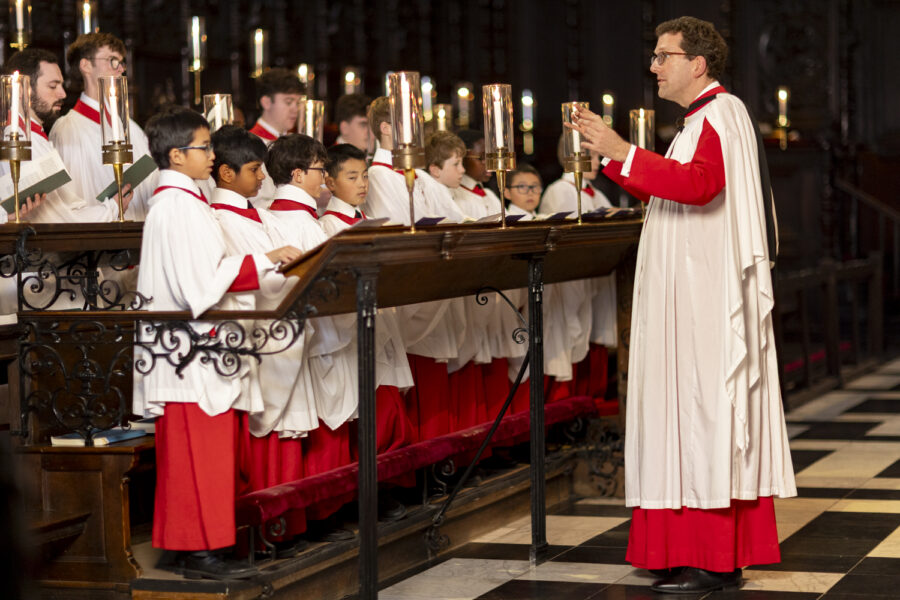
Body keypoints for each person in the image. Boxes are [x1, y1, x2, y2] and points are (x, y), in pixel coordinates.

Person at [571, 15, 795, 594]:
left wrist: (624, 149)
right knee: (679, 412)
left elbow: (700, 185)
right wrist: (612, 157)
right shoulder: (699, 119)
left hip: (705, 294)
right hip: (686, 289)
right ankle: (674, 549)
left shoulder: (721, 113)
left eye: (663, 56)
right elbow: (671, 188)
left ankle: (713, 558)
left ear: (697, 63)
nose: (653, 66)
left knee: (700, 413)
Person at [133, 107, 301, 579]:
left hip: (194, 351)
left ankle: (181, 545)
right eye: (203, 147)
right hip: (190, 353)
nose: (211, 155)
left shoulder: (185, 202)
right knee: (198, 457)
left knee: (194, 457)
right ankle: (199, 551)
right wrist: (264, 260)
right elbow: (200, 284)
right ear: (175, 155)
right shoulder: (178, 206)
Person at [208, 124, 309, 557]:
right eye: (254, 169)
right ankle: (260, 532)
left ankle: (285, 525)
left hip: (284, 328)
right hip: (255, 336)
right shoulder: (217, 220)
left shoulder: (262, 214)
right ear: (226, 173)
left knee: (287, 434)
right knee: (260, 440)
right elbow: (229, 277)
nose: (263, 178)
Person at [264, 134, 359, 539]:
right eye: (320, 170)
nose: (324, 178)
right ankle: (326, 511)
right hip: (322, 339)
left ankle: (320, 513)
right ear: (298, 174)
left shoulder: (271, 217)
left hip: (302, 338)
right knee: (326, 431)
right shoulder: (305, 225)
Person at [2, 48, 132, 223]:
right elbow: (55, 218)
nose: (63, 94)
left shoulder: (35, 136)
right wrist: (111, 209)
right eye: (52, 86)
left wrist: (110, 207)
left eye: (61, 85)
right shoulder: (16, 139)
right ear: (22, 89)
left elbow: (66, 208)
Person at [50, 32, 156, 220]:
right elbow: (68, 200)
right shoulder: (67, 129)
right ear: (85, 65)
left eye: (121, 63)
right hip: (98, 233)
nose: (120, 69)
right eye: (112, 60)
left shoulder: (131, 127)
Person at [454, 129, 502, 218]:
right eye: (482, 157)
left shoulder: (490, 195)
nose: (490, 164)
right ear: (463, 158)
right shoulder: (454, 194)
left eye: (492, 157)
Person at [248, 68, 305, 143]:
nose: (296, 109)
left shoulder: (291, 140)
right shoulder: (252, 143)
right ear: (266, 102)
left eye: (298, 103)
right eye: (288, 102)